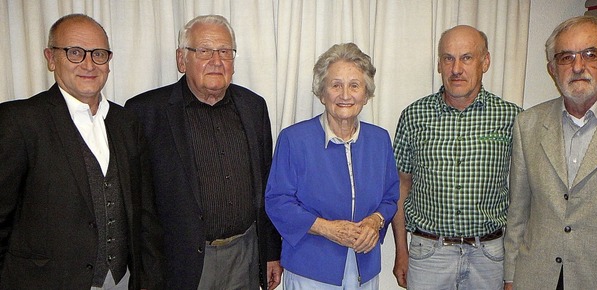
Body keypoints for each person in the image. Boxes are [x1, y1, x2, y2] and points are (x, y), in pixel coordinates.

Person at [0, 14, 164, 289]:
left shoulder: (127, 123)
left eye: (98, 54)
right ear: (51, 58)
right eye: (75, 52)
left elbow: (145, 215)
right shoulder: (19, 121)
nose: (89, 64)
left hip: (120, 281)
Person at [125, 15, 282, 290]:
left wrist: (271, 252)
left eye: (225, 52)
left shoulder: (254, 107)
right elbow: (139, 207)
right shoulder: (145, 113)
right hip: (179, 263)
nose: (216, 60)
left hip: (244, 255)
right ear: (181, 59)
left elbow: (267, 185)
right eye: (204, 51)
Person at [504, 15, 597, 289]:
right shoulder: (528, 124)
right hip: (536, 278)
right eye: (566, 57)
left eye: (591, 54)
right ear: (552, 69)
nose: (578, 66)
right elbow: (518, 213)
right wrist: (510, 277)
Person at [391, 25, 523, 289]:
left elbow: (524, 196)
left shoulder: (513, 118)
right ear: (439, 64)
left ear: (485, 61)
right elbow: (400, 186)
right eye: (448, 58)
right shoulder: (414, 116)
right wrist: (401, 251)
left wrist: (514, 267)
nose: (456, 69)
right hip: (428, 255)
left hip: (490, 256)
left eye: (467, 57)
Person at [264, 42, 398, 289]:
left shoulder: (380, 140)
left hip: (364, 269)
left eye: (354, 86)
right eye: (336, 85)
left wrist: (375, 221)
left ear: (366, 95)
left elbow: (391, 197)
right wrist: (326, 229)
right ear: (321, 93)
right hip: (310, 271)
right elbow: (277, 201)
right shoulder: (294, 139)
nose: (345, 95)